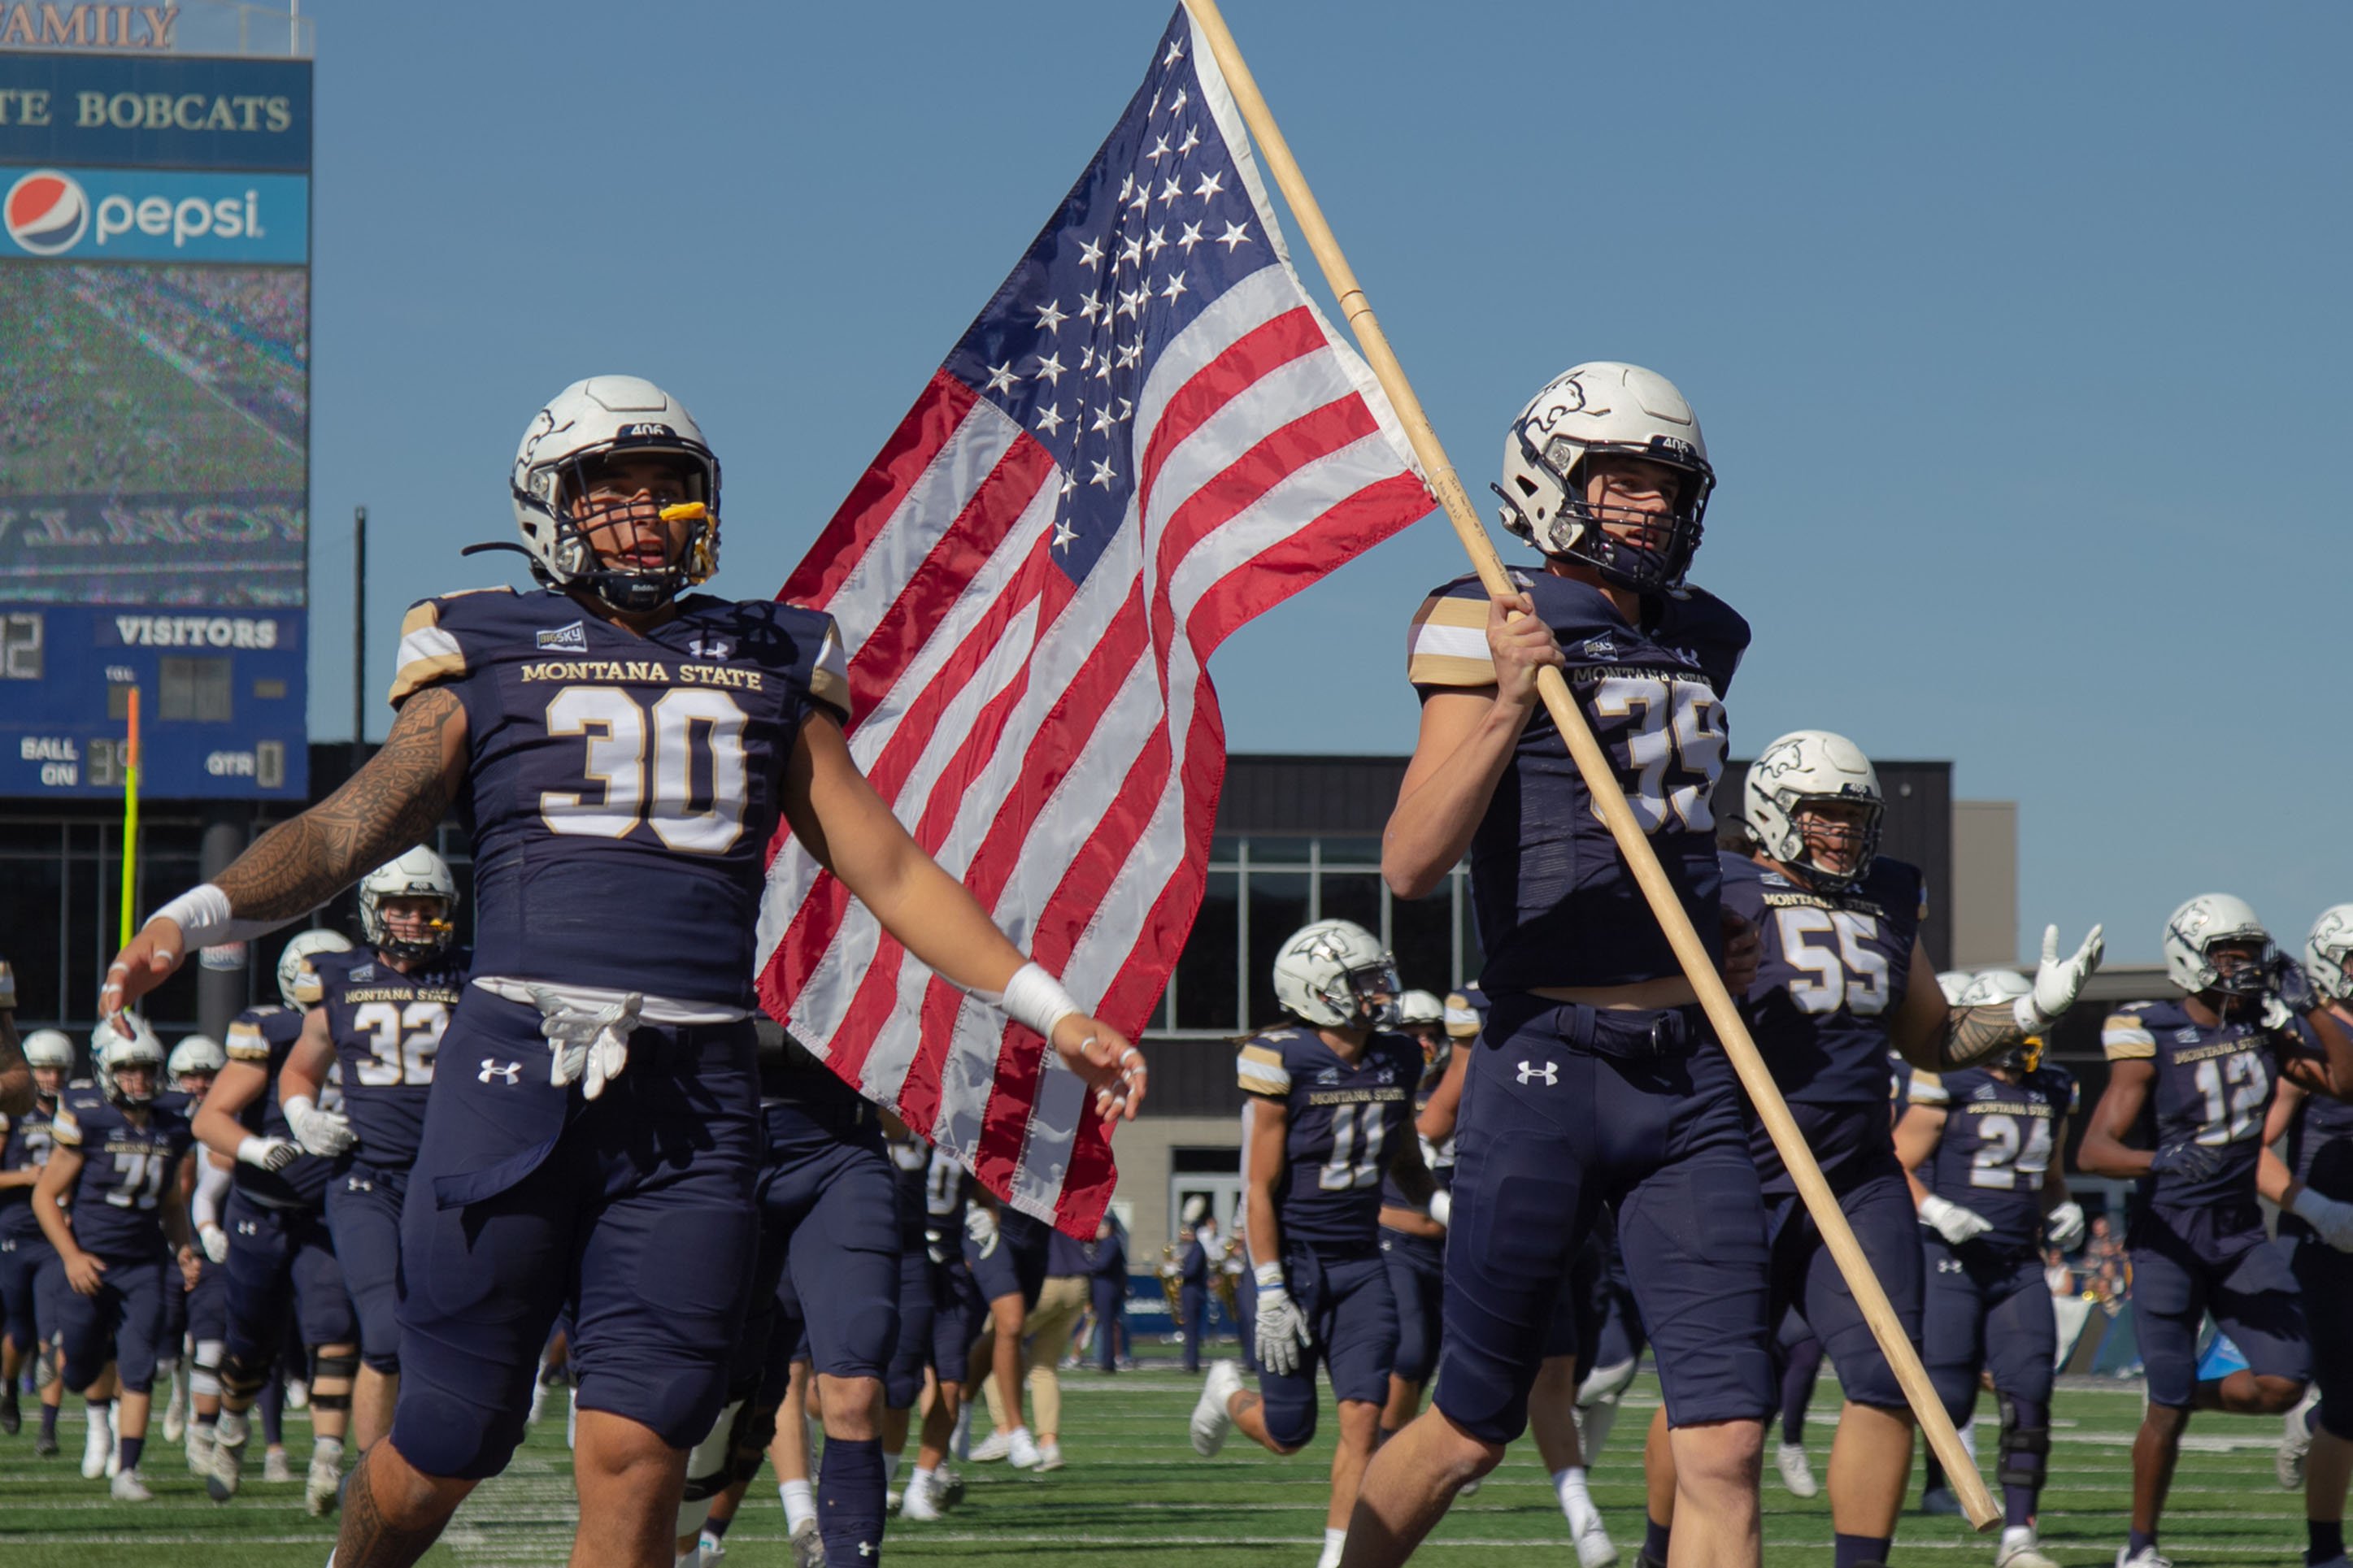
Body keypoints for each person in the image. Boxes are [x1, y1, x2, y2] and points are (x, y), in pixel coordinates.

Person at [100, 375, 1145, 1568]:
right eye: (610, 488)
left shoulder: (769, 654)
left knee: (644, 1443)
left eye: (667, 489)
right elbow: (353, 827)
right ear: (548, 505)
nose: (644, 512)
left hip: (696, 1090)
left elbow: (891, 868)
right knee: (450, 1433)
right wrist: (199, 908)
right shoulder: (481, 639)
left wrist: (1049, 1007)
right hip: (512, 1068)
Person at [1352, 363, 1775, 1568]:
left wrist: (1732, 902)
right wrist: (1505, 701)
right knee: (1468, 1427)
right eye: (1618, 478)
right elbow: (1409, 862)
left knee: (1726, 1442)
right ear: (1549, 480)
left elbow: (1679, 824)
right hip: (1544, 1058)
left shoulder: (1703, 635)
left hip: (1688, 1071)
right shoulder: (1480, 612)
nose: (1644, 504)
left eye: (1664, 482)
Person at [1646, 730, 2099, 1568]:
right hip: (1727, 1164)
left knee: (1890, 1378)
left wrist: (2031, 1013)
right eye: (1821, 812)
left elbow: (1930, 1037)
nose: (1840, 831)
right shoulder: (1715, 882)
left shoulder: (1886, 894)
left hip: (1854, 1171)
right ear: (1772, 811)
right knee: (1715, 1399)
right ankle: (1657, 1552)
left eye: (1854, 815)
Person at [2078, 894, 2353, 1568]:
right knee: (2165, 1409)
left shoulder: (2264, 1024)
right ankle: (2140, 1546)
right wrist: (2157, 1157)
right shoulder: (2151, 1030)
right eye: (2227, 951)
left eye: (2250, 951)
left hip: (2237, 1235)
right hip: (2169, 1234)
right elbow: (2094, 1151)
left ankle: (2178, 1396)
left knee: (2287, 1381)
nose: (2243, 965)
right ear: (2189, 955)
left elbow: (2344, 1081)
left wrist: (2312, 1006)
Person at [1191, 918, 1437, 1568]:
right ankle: (1226, 1392)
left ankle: (1337, 1560)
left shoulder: (1397, 1056)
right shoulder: (1281, 1058)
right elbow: (1260, 1188)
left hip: (1360, 1260)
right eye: (1364, 981)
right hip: (1293, 1262)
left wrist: (1441, 1201)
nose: (1381, 991)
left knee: (1365, 1413)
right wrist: (1269, 1286)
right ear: (1319, 989)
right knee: (1288, 1432)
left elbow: (1403, 1153)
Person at [274, 849, 468, 1454]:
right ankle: (369, 1473)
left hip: (451, 1181)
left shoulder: (474, 975)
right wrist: (302, 1114)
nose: (413, 919)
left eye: (427, 906)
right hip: (368, 1180)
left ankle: (424, 1451)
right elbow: (300, 1072)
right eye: (400, 906)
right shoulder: (339, 976)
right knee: (384, 1333)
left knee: (453, 1329)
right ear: (373, 910)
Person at [1895, 968, 2086, 1568]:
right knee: (1947, 1396)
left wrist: (2064, 1209)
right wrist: (1936, 1207)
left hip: (2018, 1263)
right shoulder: (1946, 1080)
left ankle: (2019, 1537)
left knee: (2030, 1391)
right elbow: (1890, 1165)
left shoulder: (2053, 1088)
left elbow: (2050, 1179)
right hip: (1950, 1256)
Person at [189, 927, 361, 1513]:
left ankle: (327, 1460)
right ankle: (232, 1433)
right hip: (260, 1210)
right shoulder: (272, 1029)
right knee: (251, 1342)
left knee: (334, 1329)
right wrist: (258, 1150)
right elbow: (209, 1120)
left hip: (326, 1210)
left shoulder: (371, 1025)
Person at [30, 1015, 199, 1501]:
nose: (139, 1080)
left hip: (145, 1263)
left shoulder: (171, 1122)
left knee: (140, 1363)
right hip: (92, 1261)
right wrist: (72, 1256)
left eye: (146, 1070)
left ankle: (127, 1469)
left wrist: (183, 1246)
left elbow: (170, 1201)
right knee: (81, 1367)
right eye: (128, 1071)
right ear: (106, 1071)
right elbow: (46, 1197)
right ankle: (90, 1407)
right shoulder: (89, 1116)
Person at [2268, 904, 2353, 1568]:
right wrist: (2317, 1207)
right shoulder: (2302, 1034)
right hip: (2329, 1239)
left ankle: (2313, 1416)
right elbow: (2253, 1148)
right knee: (2351, 1404)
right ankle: (2325, 1550)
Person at [1, 1027, 75, 1453]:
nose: (49, 1078)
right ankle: (9, 1386)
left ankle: (48, 1428)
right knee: (20, 1331)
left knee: (53, 1332)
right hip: (15, 1229)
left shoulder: (77, 1113)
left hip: (56, 1236)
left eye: (57, 1070)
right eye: (42, 1070)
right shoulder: (11, 1114)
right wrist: (26, 1177)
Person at [155, 1032, 226, 1449]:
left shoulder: (228, 1119)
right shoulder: (162, 1122)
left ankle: (198, 1419)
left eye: (208, 1076)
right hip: (164, 1244)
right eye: (190, 1077)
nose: (199, 1084)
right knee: (163, 1355)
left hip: (209, 1242)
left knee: (209, 1337)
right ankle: (178, 1392)